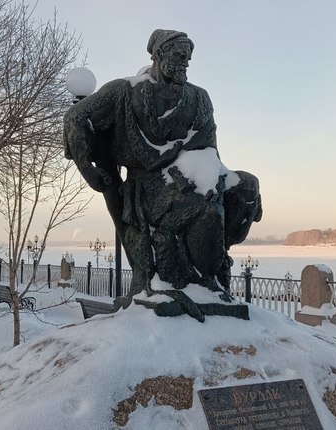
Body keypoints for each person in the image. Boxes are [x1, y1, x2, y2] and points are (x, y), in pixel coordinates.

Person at [64, 29, 262, 317]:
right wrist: (88, 170)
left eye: (188, 58)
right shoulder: (125, 91)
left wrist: (212, 179)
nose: (185, 62)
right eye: (179, 56)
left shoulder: (199, 97)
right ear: (158, 54)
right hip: (148, 188)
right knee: (207, 211)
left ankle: (211, 276)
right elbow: (76, 116)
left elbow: (209, 150)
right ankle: (196, 281)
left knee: (247, 186)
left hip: (194, 175)